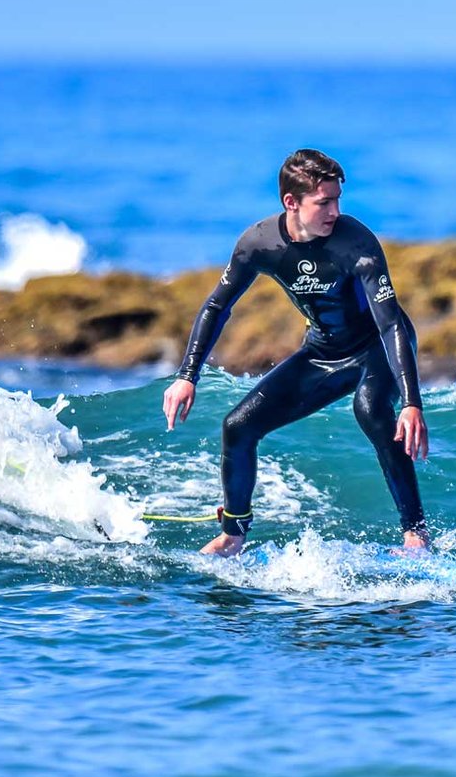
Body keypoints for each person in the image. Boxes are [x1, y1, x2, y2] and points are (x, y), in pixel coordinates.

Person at [162, 148, 430, 557]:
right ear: (292, 202)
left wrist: (412, 403)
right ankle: (233, 534)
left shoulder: (354, 242)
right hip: (323, 352)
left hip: (377, 345)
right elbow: (217, 306)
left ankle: (415, 535)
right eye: (324, 202)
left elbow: (391, 322)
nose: (335, 211)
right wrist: (187, 375)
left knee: (371, 409)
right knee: (237, 426)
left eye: (338, 199)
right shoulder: (259, 244)